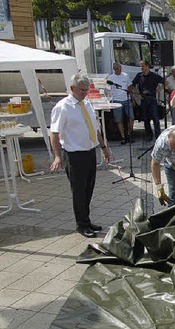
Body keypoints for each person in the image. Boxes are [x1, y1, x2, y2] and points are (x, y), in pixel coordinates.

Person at [50, 74, 110, 238]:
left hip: (90, 152)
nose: (85, 93)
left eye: (87, 90)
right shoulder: (63, 107)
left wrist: (103, 147)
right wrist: (57, 156)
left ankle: (86, 220)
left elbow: (95, 127)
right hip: (74, 155)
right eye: (82, 90)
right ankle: (81, 225)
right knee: (79, 192)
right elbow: (54, 133)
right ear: (72, 89)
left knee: (88, 189)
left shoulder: (87, 103)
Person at [130, 60, 165, 139]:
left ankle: (158, 135)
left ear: (147, 66)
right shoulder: (139, 75)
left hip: (152, 98)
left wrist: (159, 89)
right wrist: (138, 94)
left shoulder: (154, 75)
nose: (142, 68)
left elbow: (165, 82)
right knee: (145, 118)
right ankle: (149, 135)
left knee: (155, 117)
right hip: (143, 98)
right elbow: (132, 86)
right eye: (141, 66)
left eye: (143, 66)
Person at [107, 62, 134, 145]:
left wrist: (132, 97)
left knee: (131, 117)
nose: (120, 70)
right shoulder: (111, 78)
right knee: (119, 119)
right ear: (114, 69)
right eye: (118, 69)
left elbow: (129, 87)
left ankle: (129, 134)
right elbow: (108, 90)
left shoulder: (125, 75)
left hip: (126, 99)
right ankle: (123, 137)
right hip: (116, 100)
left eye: (120, 68)